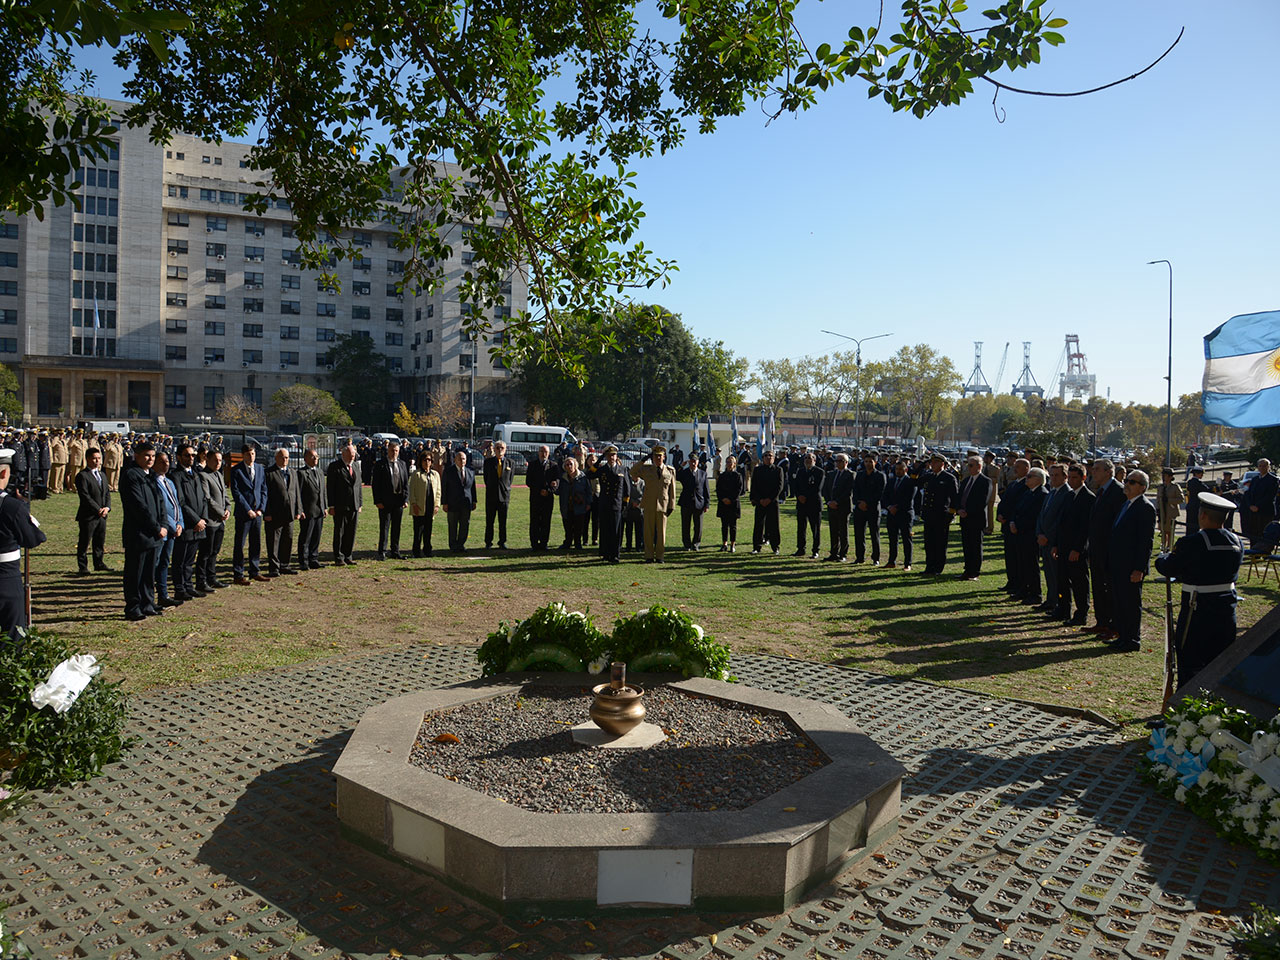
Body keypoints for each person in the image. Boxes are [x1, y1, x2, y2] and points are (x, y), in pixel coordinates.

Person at [1155, 492, 1245, 689]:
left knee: (1190, 661)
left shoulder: (1191, 542)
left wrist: (1161, 558)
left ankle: (1183, 712)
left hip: (1198, 608)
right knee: (1220, 661)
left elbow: (1169, 567)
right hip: (1226, 608)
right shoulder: (1237, 542)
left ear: (1202, 515)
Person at [1106, 469, 1156, 653]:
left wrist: (1139, 568)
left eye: (1132, 482)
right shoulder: (1126, 505)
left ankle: (1132, 639)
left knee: (1131, 603)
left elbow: (1145, 542)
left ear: (1142, 488)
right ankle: (1123, 636)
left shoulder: (1145, 507)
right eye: (1127, 480)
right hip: (1118, 564)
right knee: (1119, 602)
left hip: (1131, 567)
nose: (1127, 484)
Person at [0, 447, 45, 634]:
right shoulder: (11, 506)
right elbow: (33, 539)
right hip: (5, 577)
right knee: (12, 636)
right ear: (4, 472)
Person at [119, 442, 165, 621]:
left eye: (153, 456)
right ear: (136, 455)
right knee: (135, 572)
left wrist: (163, 524)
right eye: (146, 455)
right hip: (138, 533)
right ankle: (133, 606)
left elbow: (160, 502)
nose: (150, 459)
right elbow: (139, 506)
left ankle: (148, 603)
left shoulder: (151, 476)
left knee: (148, 573)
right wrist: (155, 526)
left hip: (155, 533)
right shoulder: (131, 475)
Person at [1086, 459, 1126, 640]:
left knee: (1110, 589)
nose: (1093, 472)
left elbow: (1116, 523)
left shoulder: (1118, 491)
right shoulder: (1101, 491)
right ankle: (1102, 621)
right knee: (1099, 587)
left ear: (1109, 472)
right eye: (1093, 469)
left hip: (1109, 550)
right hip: (1096, 549)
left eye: (1097, 469)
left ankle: (1113, 625)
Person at [1053, 462, 1093, 625]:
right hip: (1063, 546)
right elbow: (1061, 522)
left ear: (1083, 478)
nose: (1071, 481)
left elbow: (1086, 527)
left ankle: (1081, 613)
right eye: (1069, 477)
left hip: (1077, 550)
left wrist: (1078, 549)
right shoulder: (1069, 495)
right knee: (1062, 581)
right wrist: (1056, 544)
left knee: (1079, 583)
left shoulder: (1089, 498)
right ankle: (1063, 609)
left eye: (1075, 478)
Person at [170, 442, 208, 600]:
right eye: (187, 455)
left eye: (193, 455)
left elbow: (204, 498)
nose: (191, 458)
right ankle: (179, 588)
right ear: (179, 457)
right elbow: (181, 502)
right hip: (186, 525)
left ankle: (188, 586)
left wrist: (203, 519)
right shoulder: (175, 475)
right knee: (180, 560)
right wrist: (195, 520)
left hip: (199, 525)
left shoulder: (196, 474)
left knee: (190, 560)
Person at [1034, 463, 1072, 612]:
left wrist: (1049, 537)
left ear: (1065, 477)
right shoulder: (1051, 492)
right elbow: (1041, 516)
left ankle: (1058, 602)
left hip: (1054, 542)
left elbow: (1060, 521)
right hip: (1044, 540)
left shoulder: (1067, 494)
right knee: (1049, 573)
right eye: (1052, 475)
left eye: (1057, 475)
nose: (1053, 478)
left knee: (1058, 575)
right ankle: (1050, 600)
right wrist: (1039, 533)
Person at [630, 446, 677, 562]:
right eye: (655, 456)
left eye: (660, 456)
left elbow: (672, 491)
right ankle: (649, 556)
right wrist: (643, 460)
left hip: (663, 505)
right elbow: (632, 471)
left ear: (664, 457)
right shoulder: (647, 469)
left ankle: (660, 556)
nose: (658, 458)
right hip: (649, 504)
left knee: (661, 533)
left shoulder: (670, 470)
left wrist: (672, 505)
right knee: (648, 532)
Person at [231, 442, 269, 583]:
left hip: (257, 513)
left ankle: (255, 571)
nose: (251, 456)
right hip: (243, 514)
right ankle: (238, 574)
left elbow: (264, 490)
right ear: (243, 455)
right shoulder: (237, 470)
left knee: (256, 543)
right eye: (248, 454)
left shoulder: (259, 469)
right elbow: (236, 492)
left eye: (253, 453)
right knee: (240, 544)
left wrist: (260, 509)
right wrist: (248, 509)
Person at [1010, 467, 1048, 603]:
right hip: (1020, 533)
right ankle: (1023, 590)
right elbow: (1017, 509)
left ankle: (1035, 593)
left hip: (1030, 535)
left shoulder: (1042, 494)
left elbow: (1034, 517)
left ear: (1038, 479)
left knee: (1031, 565)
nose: (1027, 479)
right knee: (1022, 563)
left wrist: (1018, 525)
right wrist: (1013, 522)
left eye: (1030, 476)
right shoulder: (1028, 493)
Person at [264, 448, 303, 576]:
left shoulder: (292, 472)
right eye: (282, 457)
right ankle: (274, 567)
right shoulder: (269, 473)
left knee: (288, 539)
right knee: (274, 541)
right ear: (276, 458)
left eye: (286, 457)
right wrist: (267, 513)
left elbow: (296, 492)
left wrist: (299, 510)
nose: (285, 460)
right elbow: (265, 495)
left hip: (290, 513)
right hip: (274, 514)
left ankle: (284, 565)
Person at [919, 453, 959, 575]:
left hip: (941, 515)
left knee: (940, 543)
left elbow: (955, 498)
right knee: (929, 543)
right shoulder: (929, 476)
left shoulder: (949, 478)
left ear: (942, 464)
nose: (933, 465)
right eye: (931, 462)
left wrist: (950, 515)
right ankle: (929, 567)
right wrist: (922, 465)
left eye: (936, 462)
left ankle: (938, 568)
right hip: (928, 515)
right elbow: (913, 480)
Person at [74, 447, 112, 575]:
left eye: (99, 458)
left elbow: (107, 493)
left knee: (99, 540)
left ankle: (99, 563)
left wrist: (107, 507)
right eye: (94, 458)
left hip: (102, 515)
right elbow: (85, 496)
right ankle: (83, 566)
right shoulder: (82, 476)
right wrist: (98, 509)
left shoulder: (102, 475)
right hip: (88, 515)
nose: (97, 461)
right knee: (85, 541)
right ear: (88, 459)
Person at [152, 452, 183, 608]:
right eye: (162, 462)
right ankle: (150, 597)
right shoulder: (153, 482)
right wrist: (172, 525)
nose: (166, 464)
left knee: (165, 563)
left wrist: (180, 523)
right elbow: (161, 508)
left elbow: (177, 505)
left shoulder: (169, 482)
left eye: (167, 461)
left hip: (173, 531)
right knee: (155, 564)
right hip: (162, 530)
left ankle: (163, 595)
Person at [197, 448, 230, 590]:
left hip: (220, 521)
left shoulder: (219, 475)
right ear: (207, 460)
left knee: (215, 552)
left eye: (220, 460)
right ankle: (201, 581)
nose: (218, 463)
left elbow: (225, 496)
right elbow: (207, 498)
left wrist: (228, 509)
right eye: (215, 460)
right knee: (205, 553)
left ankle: (212, 578)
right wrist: (221, 511)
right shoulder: (203, 476)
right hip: (210, 521)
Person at [326, 439, 363, 565]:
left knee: (351, 532)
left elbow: (358, 486)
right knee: (340, 532)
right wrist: (331, 505)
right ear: (343, 454)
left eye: (354, 455)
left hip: (354, 505)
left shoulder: (356, 466)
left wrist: (360, 503)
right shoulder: (334, 467)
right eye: (350, 455)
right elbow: (330, 488)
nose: (353, 457)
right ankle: (339, 557)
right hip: (340, 505)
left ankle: (348, 555)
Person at [371, 439, 409, 560]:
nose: (394, 453)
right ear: (388, 451)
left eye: (396, 451)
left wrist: (406, 499)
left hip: (399, 500)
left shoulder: (402, 464)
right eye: (392, 450)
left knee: (396, 527)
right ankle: (382, 552)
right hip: (385, 501)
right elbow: (375, 484)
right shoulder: (380, 464)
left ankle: (395, 551)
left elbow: (405, 483)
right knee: (385, 527)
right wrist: (377, 501)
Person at [995, 458, 1029, 592]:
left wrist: (1009, 517)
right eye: (1015, 467)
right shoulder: (1014, 484)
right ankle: (1011, 581)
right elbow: (1004, 502)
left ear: (1026, 468)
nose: (1015, 470)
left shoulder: (1026, 485)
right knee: (1009, 556)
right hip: (1007, 525)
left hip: (1015, 525)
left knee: (1017, 558)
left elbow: (1018, 506)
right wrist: (1000, 514)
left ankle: (1019, 583)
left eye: (1018, 467)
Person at [955, 455, 991, 580]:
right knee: (967, 545)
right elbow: (959, 497)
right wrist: (959, 509)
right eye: (967, 465)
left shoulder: (985, 481)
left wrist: (968, 512)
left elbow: (983, 501)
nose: (967, 468)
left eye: (970, 465)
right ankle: (967, 569)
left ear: (979, 466)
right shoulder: (965, 481)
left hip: (976, 519)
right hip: (964, 519)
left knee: (975, 546)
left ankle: (975, 571)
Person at [593, 445, 628, 563]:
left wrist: (624, 503)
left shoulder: (622, 469)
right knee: (604, 529)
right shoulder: (602, 469)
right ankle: (605, 553)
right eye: (609, 455)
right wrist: (599, 459)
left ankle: (615, 554)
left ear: (616, 456)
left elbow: (627, 488)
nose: (611, 457)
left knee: (616, 530)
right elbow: (590, 473)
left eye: (613, 455)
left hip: (616, 504)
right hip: (604, 503)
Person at [296, 448, 328, 570]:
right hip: (308, 510)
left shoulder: (320, 472)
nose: (315, 459)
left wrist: (324, 506)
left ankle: (313, 558)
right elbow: (298, 493)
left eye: (317, 456)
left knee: (316, 536)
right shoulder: (301, 473)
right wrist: (300, 510)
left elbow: (323, 491)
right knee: (305, 537)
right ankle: (303, 561)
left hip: (319, 510)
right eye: (312, 457)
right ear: (306, 459)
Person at [851, 452, 886, 565]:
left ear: (875, 462)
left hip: (873, 508)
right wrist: (858, 502)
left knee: (874, 534)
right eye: (866, 461)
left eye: (870, 461)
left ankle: (875, 558)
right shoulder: (859, 475)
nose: (867, 464)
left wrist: (867, 503)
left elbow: (880, 493)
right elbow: (855, 491)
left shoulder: (880, 476)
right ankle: (859, 557)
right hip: (860, 508)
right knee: (859, 534)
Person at [749, 449, 785, 554]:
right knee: (758, 525)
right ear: (763, 458)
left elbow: (779, 487)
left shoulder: (778, 470)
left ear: (774, 458)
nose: (768, 457)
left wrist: (769, 499)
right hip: (760, 502)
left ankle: (775, 547)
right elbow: (754, 486)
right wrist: (759, 499)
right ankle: (756, 547)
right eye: (766, 456)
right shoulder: (757, 470)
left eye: (771, 456)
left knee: (774, 525)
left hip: (772, 502)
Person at [883, 459, 917, 571]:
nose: (898, 471)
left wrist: (896, 508)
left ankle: (908, 563)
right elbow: (885, 496)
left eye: (900, 469)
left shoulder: (910, 482)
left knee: (906, 539)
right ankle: (891, 561)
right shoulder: (891, 480)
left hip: (904, 513)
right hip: (892, 514)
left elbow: (909, 498)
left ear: (905, 469)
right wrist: (889, 507)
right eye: (896, 469)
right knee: (893, 539)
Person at [408, 449, 442, 556]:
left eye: (429, 460)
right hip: (419, 506)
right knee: (418, 531)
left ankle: (428, 550)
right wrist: (413, 504)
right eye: (424, 460)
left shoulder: (435, 474)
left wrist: (437, 505)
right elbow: (411, 490)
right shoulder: (416, 474)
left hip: (430, 506)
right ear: (421, 461)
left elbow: (438, 492)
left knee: (428, 530)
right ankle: (416, 551)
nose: (427, 462)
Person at [443, 448, 478, 552]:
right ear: (455, 460)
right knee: (453, 525)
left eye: (463, 459)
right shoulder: (449, 471)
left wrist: (474, 501)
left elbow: (473, 488)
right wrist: (444, 503)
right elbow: (444, 488)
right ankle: (453, 545)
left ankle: (461, 544)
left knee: (465, 525)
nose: (462, 461)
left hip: (466, 503)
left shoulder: (470, 472)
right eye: (459, 459)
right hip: (452, 503)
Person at [791, 452, 824, 558]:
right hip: (801, 504)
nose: (807, 460)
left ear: (814, 460)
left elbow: (817, 488)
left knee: (815, 528)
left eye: (810, 458)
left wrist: (806, 497)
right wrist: (799, 496)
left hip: (813, 503)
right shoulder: (800, 471)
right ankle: (801, 549)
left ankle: (815, 550)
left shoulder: (820, 472)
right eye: (806, 458)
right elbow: (795, 486)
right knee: (801, 528)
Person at [822, 453, 854, 562]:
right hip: (831, 506)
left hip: (843, 507)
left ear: (846, 462)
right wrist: (828, 501)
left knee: (843, 531)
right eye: (837, 461)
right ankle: (833, 553)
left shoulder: (850, 475)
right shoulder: (831, 474)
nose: (838, 463)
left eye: (840, 461)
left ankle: (843, 554)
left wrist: (837, 502)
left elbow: (848, 492)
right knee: (833, 531)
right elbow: (825, 489)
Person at [526, 445, 559, 550]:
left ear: (549, 453)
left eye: (545, 451)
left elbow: (556, 481)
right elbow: (528, 481)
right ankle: (534, 544)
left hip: (548, 498)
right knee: (534, 520)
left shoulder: (554, 466)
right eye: (541, 451)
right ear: (538, 452)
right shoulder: (532, 465)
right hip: (535, 497)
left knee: (546, 521)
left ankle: (544, 543)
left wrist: (548, 491)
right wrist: (539, 491)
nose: (543, 453)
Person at [483, 440, 515, 549]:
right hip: (491, 496)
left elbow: (510, 480)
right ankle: (488, 542)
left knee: (503, 521)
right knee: (489, 521)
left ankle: (502, 541)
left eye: (502, 448)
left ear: (505, 450)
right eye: (497, 448)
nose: (499, 450)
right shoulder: (488, 462)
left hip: (504, 496)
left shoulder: (511, 463)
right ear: (494, 449)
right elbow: (486, 479)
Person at [558, 456, 593, 549]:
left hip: (579, 506)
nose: (569, 466)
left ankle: (578, 543)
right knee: (567, 526)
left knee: (578, 527)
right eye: (567, 465)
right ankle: (567, 542)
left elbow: (589, 491)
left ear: (575, 465)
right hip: (567, 506)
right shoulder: (562, 478)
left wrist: (589, 503)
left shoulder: (583, 477)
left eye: (571, 464)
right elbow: (558, 492)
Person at [1242, 459, 1278, 547]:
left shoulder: (1273, 480)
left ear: (1268, 467)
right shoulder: (1254, 480)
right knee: (1253, 531)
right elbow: (1249, 493)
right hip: (1253, 511)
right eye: (1260, 466)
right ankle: (1253, 550)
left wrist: (1258, 506)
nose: (1262, 468)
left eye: (1264, 466)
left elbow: (1270, 496)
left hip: (1265, 510)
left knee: (1265, 532)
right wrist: (1250, 505)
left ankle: (1265, 551)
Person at [677, 454, 709, 550]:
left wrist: (706, 504)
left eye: (695, 461)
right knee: (685, 525)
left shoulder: (703, 473)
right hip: (686, 502)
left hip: (699, 503)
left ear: (698, 462)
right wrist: (681, 466)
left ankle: (696, 544)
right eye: (691, 461)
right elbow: (675, 476)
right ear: (689, 462)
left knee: (698, 526)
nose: (693, 463)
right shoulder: (684, 473)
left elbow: (706, 490)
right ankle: (686, 545)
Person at [715, 454, 743, 551]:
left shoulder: (737, 476)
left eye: (731, 462)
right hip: (723, 503)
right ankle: (724, 544)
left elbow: (739, 490)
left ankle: (733, 544)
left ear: (734, 464)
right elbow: (718, 489)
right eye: (727, 462)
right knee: (724, 525)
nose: (729, 464)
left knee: (733, 526)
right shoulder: (722, 476)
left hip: (733, 504)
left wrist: (730, 499)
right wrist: (723, 499)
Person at [1156, 467, 1185, 549]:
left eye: (1165, 475)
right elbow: (1158, 499)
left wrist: (1169, 500)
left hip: (1171, 511)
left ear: (1170, 477)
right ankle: (1163, 545)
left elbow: (1181, 499)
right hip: (1162, 511)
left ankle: (1169, 546)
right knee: (1163, 529)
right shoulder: (1161, 487)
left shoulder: (1175, 487)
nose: (1163, 477)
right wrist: (1157, 510)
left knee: (1170, 530)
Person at [1185, 465, 1209, 534]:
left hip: (1190, 504)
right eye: (1201, 474)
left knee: (1189, 525)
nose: (1202, 475)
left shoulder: (1189, 482)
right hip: (1197, 506)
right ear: (1196, 473)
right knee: (1195, 525)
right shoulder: (1199, 483)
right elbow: (1207, 490)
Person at [49, 430, 68, 496]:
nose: (62, 436)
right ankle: (54, 488)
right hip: (57, 460)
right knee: (56, 475)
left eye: (63, 434)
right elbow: (52, 445)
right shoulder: (55, 440)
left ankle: (60, 488)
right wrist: (56, 437)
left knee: (61, 476)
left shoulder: (63, 441)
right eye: (61, 434)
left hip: (64, 460)